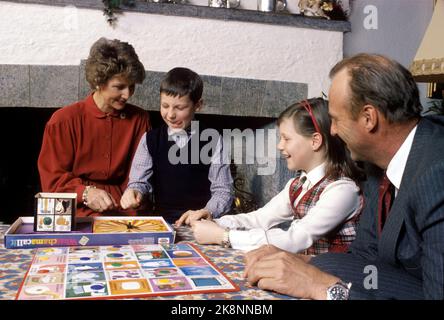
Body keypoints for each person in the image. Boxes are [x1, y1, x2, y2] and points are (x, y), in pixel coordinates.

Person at [244, 53, 444, 300]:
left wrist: (324, 288)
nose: (333, 131)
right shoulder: (376, 165)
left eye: (336, 120)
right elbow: (366, 258)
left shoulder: (437, 173)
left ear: (368, 118)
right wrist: (301, 261)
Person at [185, 98, 363, 254]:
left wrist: (224, 236)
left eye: (286, 138)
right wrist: (215, 221)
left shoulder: (342, 190)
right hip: (302, 268)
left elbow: (295, 239)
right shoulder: (297, 184)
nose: (279, 145)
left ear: (315, 141)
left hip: (330, 278)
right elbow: (260, 218)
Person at [38, 38, 150, 217]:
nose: (127, 94)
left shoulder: (140, 119)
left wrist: (136, 192)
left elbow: (141, 172)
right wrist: (86, 192)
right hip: (77, 209)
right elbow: (52, 181)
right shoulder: (62, 121)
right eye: (119, 87)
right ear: (99, 82)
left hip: (124, 209)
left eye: (131, 86)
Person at [120, 67, 233, 224]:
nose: (171, 115)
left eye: (179, 108)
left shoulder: (213, 140)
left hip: (201, 222)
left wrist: (207, 212)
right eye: (165, 106)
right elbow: (138, 183)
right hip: (163, 222)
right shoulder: (150, 139)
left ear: (198, 105)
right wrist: (133, 191)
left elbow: (223, 191)